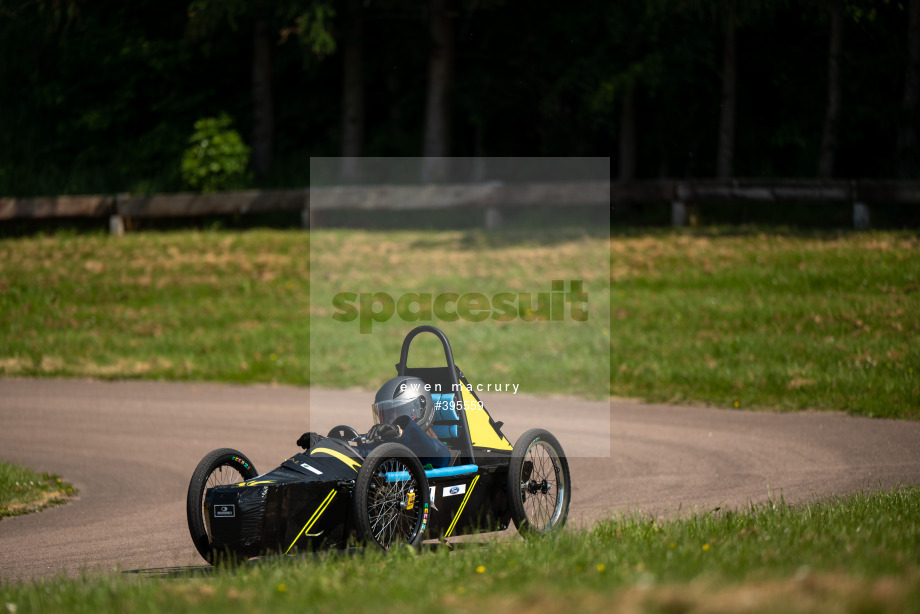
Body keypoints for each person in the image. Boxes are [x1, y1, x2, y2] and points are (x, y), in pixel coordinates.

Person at [362, 375, 451, 468]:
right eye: (387, 416)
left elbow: (436, 452)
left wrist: (399, 431)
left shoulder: (437, 448)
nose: (390, 422)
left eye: (399, 415)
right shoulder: (382, 446)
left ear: (419, 412)